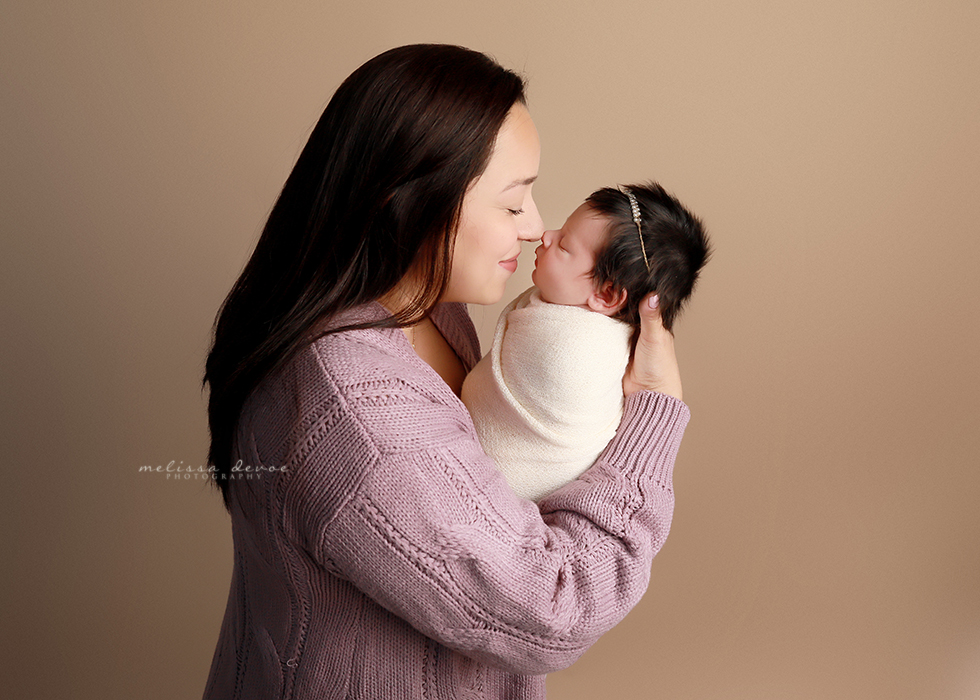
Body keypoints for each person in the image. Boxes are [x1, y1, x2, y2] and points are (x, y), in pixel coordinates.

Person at [202, 44, 691, 700]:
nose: (535, 228)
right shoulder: (359, 411)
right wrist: (653, 416)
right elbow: (553, 609)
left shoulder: (424, 307)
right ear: (412, 200)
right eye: (514, 203)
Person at [461, 183, 709, 501]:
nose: (545, 236)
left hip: (506, 498)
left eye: (564, 245)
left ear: (606, 295)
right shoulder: (575, 311)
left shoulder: (575, 352)